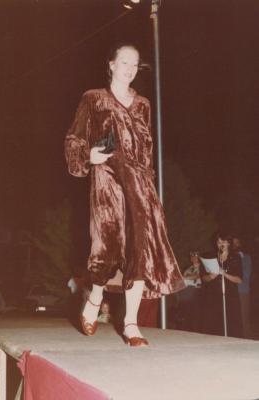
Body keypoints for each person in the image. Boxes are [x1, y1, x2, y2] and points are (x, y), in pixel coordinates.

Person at [65, 42, 185, 346]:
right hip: (107, 178)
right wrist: (87, 156)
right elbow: (74, 138)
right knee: (106, 244)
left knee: (140, 248)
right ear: (111, 65)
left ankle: (131, 324)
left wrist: (149, 184)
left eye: (135, 64)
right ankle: (94, 299)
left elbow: (147, 149)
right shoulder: (93, 99)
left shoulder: (143, 104)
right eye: (125, 63)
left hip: (140, 183)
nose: (130, 69)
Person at [201, 233, 243, 337]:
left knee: (232, 322)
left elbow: (239, 280)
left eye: (223, 241)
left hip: (230, 295)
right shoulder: (210, 256)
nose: (221, 244)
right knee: (213, 322)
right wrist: (211, 276)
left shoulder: (235, 258)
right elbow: (203, 277)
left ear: (228, 243)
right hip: (213, 294)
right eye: (218, 242)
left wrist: (224, 273)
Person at [232, 237, 252, 338]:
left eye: (237, 243)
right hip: (231, 292)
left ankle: (247, 341)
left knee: (244, 319)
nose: (235, 245)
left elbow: (245, 275)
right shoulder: (230, 258)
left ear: (240, 244)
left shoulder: (246, 257)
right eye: (233, 243)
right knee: (233, 319)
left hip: (242, 292)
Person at [177, 251, 202, 332]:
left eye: (195, 256)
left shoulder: (202, 267)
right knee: (185, 313)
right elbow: (181, 279)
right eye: (192, 256)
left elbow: (197, 276)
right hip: (186, 292)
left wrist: (184, 278)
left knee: (195, 314)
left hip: (196, 291)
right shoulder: (188, 268)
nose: (193, 258)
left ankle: (196, 330)